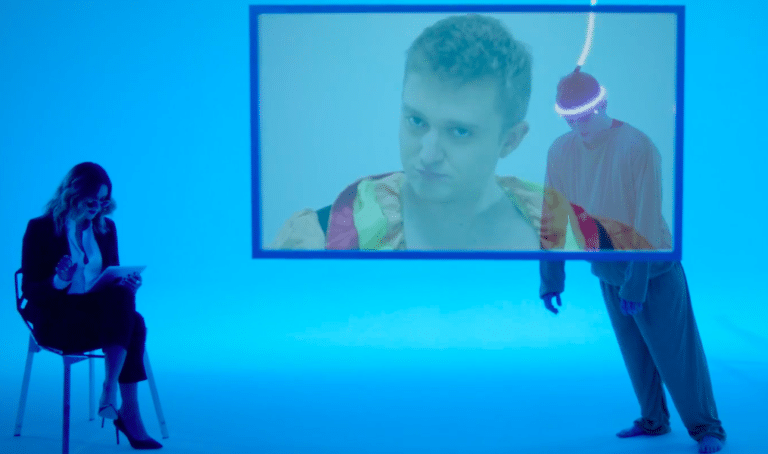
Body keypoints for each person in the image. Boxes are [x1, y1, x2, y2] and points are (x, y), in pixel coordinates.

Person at [539, 68, 726, 453]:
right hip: (608, 272)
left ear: (603, 103)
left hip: (654, 274)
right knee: (636, 357)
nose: (578, 126)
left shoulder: (638, 147)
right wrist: (551, 277)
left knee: (677, 357)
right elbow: (552, 214)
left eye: (585, 116)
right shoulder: (559, 151)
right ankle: (653, 420)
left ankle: (707, 428)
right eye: (570, 119)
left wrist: (636, 283)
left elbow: (646, 221)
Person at [270, 14, 544, 251]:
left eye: (460, 132)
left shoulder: (564, 234)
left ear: (510, 141)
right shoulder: (316, 240)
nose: (428, 155)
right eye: (416, 121)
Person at [20, 162, 162, 450]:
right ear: (71, 194)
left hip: (98, 319)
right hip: (57, 322)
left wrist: (127, 285)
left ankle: (110, 392)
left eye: (104, 201)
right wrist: (59, 280)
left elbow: (112, 280)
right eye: (91, 200)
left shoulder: (106, 229)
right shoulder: (40, 228)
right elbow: (30, 291)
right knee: (135, 324)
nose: (98, 207)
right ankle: (125, 410)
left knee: (125, 301)